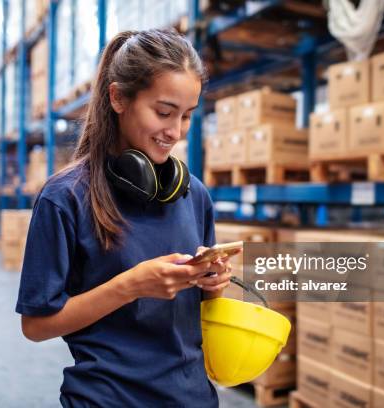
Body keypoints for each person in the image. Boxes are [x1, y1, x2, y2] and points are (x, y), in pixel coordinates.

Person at [16, 29, 234, 407]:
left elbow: (198, 309)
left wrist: (212, 285)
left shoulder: (193, 193)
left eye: (186, 116)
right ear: (117, 97)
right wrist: (130, 286)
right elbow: (35, 326)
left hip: (192, 398)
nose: (175, 132)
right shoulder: (64, 198)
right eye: (164, 112)